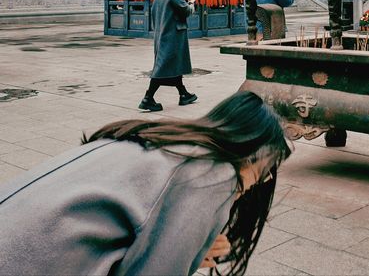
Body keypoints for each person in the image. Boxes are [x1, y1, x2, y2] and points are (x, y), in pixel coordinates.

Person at [0, 91, 291, 276]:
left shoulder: (160, 139)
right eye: (266, 171)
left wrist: (187, 248)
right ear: (254, 153)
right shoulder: (211, 173)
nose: (259, 182)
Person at [139, 0, 197, 112]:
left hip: (162, 34)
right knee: (162, 67)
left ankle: (183, 94)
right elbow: (185, 11)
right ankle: (148, 98)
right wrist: (191, 4)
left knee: (173, 65)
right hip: (172, 36)